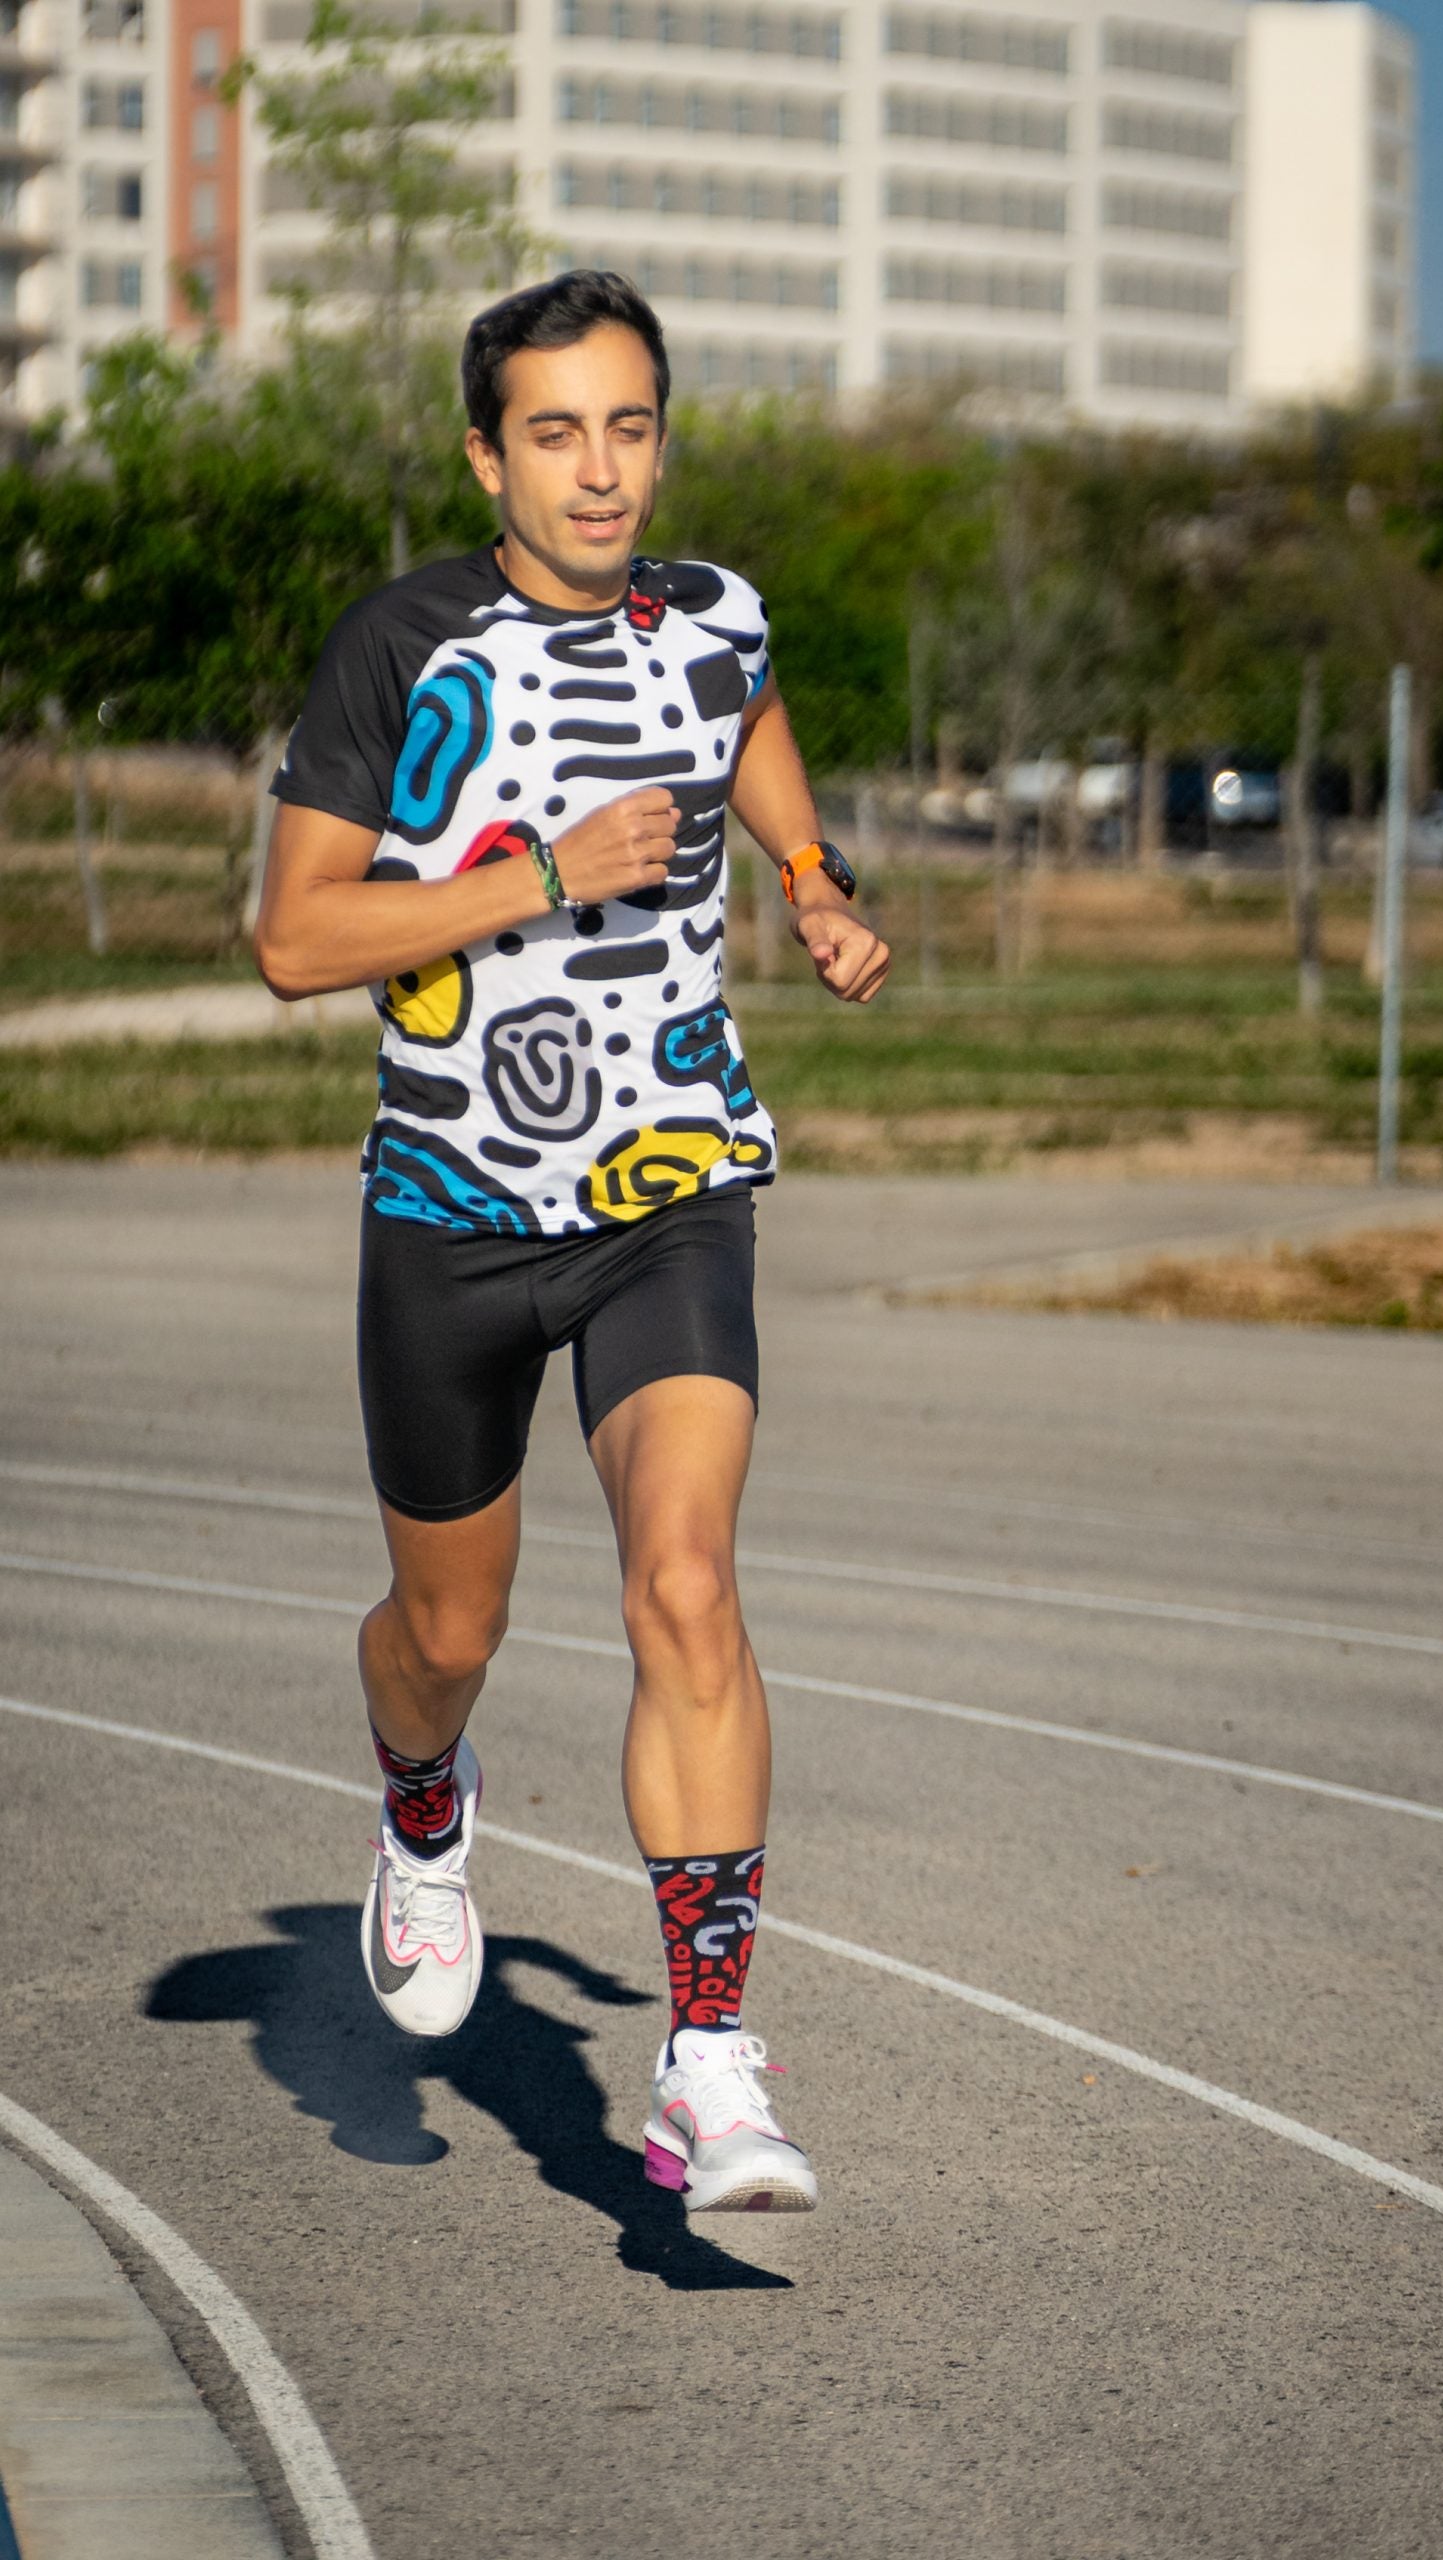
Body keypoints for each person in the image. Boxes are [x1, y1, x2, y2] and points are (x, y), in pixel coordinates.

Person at [254, 269, 887, 2215]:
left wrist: (805, 870)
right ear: (485, 452)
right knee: (447, 1630)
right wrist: (540, 875)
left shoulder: (714, 616)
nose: (599, 468)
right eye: (555, 430)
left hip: (668, 1182)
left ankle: (706, 2053)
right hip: (447, 1210)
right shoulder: (400, 644)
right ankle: (422, 1798)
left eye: (629, 426)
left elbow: (750, 717)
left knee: (683, 1577)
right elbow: (293, 938)